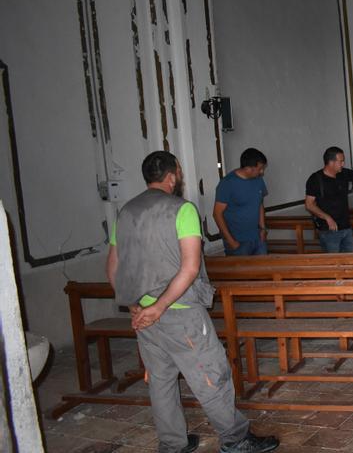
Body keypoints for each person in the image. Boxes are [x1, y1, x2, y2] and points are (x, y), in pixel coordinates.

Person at [106, 151, 279, 453]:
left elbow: (113, 264)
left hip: (144, 315)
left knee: (160, 382)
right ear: (172, 175)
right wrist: (159, 307)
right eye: (179, 171)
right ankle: (235, 440)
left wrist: (136, 306)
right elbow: (189, 267)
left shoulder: (126, 212)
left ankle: (173, 444)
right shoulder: (182, 210)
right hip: (180, 312)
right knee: (212, 375)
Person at [213, 148, 269, 256]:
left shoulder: (258, 180)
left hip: (257, 238)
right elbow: (217, 214)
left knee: (264, 271)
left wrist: (263, 228)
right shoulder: (227, 184)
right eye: (260, 168)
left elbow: (260, 204)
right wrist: (231, 242)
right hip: (238, 241)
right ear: (249, 168)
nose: (262, 172)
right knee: (243, 273)